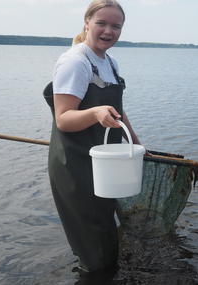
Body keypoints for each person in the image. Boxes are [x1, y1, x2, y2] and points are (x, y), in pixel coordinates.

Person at [42, 0, 142, 281]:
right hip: (74, 163)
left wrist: (135, 142)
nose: (109, 31)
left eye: (116, 26)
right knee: (93, 248)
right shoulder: (75, 61)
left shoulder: (110, 62)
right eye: (102, 23)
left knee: (105, 230)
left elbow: (118, 111)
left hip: (104, 163)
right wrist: (96, 112)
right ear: (87, 23)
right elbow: (63, 119)